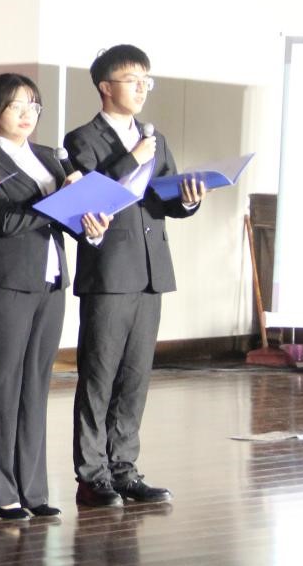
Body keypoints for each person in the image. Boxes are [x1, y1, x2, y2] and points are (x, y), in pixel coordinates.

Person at [0, 73, 110, 521]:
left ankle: (33, 488)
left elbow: (66, 217)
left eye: (34, 106)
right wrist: (56, 202)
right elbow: (2, 222)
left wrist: (90, 223)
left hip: (50, 281)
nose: (28, 115)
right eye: (17, 106)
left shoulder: (48, 157)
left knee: (34, 387)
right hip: (3, 283)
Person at [65, 44, 204, 508]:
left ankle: (124, 469)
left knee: (134, 378)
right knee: (98, 376)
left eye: (147, 80)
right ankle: (92, 476)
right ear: (106, 87)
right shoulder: (82, 139)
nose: (142, 88)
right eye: (132, 80)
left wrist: (187, 199)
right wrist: (133, 156)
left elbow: (163, 199)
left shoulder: (154, 137)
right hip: (108, 271)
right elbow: (89, 197)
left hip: (150, 270)